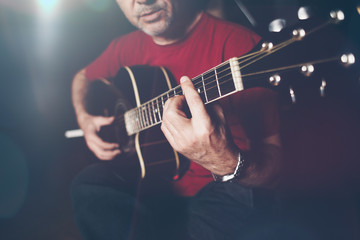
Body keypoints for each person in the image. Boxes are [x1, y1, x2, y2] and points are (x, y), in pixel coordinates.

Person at [71, 0, 283, 239]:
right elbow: (82, 77)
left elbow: (277, 167)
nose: (142, 1)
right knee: (88, 184)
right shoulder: (123, 47)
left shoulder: (241, 46)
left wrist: (228, 163)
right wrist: (84, 118)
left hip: (222, 187)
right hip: (153, 180)